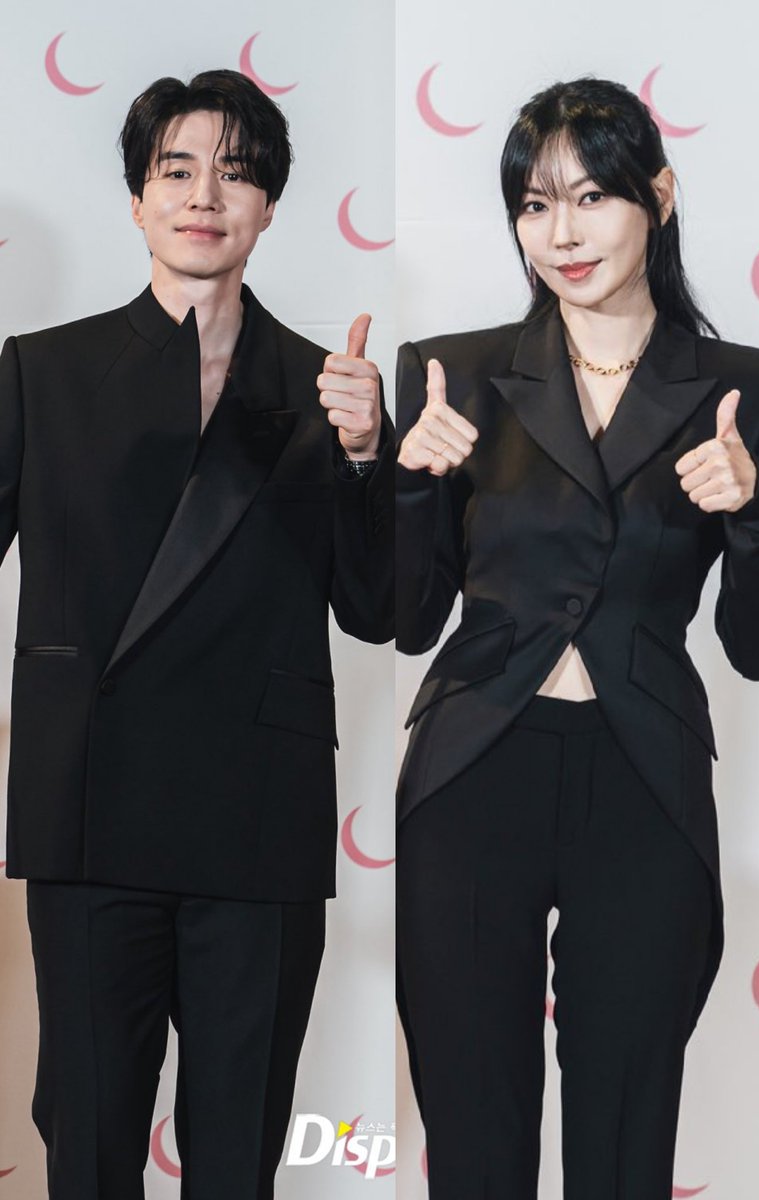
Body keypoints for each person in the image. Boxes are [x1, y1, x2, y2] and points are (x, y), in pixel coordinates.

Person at [394, 77, 759, 1199]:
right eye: (532, 203)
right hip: (475, 770)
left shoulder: (747, 388)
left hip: (643, 778)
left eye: (592, 197)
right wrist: (410, 480)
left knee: (624, 1128)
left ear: (658, 197)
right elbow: (404, 615)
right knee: (474, 1133)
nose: (559, 233)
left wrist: (757, 511)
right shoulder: (454, 373)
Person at [1, 70, 393, 1197]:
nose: (204, 194)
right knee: (89, 1154)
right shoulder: (44, 371)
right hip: (88, 822)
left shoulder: (332, 390)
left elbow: (378, 611)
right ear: (136, 200)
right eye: (177, 168)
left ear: (269, 205)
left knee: (237, 1166)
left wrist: (368, 457)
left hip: (256, 831)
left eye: (236, 171)